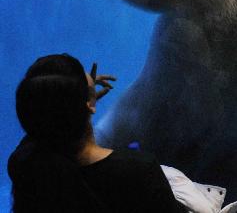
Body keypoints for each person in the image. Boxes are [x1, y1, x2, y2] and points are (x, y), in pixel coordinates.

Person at [7, 54, 186, 213]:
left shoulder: (24, 165)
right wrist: (81, 100)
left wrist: (79, 100)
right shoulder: (138, 170)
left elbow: (41, 124)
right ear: (89, 103)